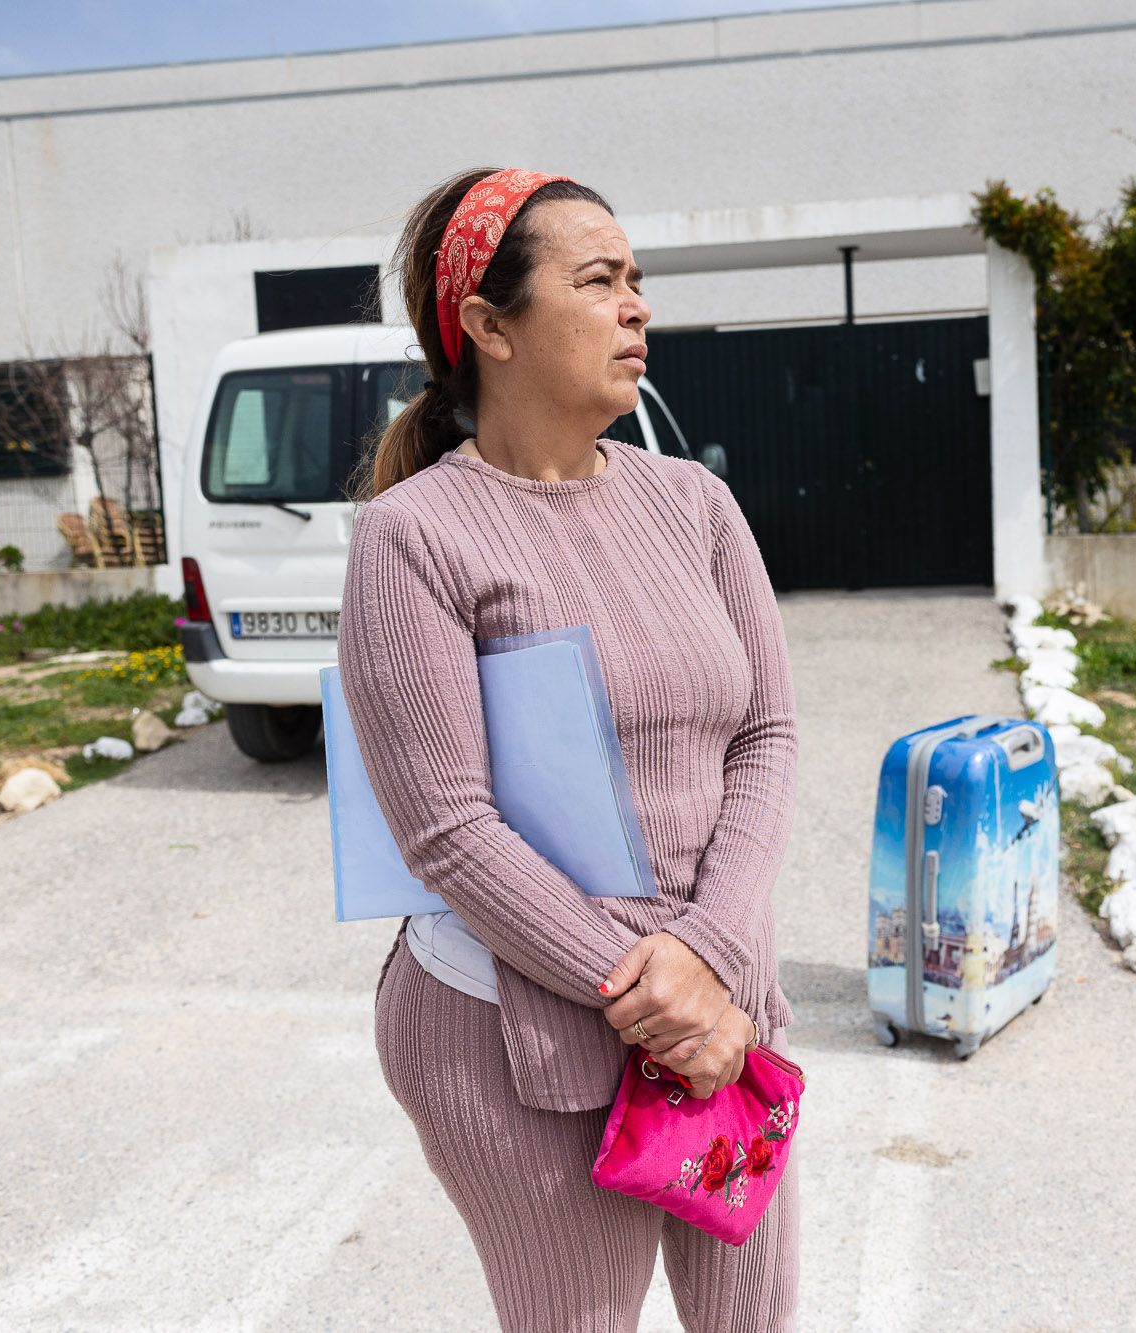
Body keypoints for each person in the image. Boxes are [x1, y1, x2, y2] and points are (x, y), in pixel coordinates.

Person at [339, 167, 800, 1330]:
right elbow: (447, 830)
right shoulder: (412, 538)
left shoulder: (693, 504)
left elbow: (765, 733)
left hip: (717, 1012)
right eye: (599, 281)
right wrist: (660, 994)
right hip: (511, 1028)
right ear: (488, 328)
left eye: (637, 281)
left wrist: (707, 958)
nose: (636, 305)